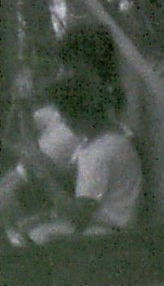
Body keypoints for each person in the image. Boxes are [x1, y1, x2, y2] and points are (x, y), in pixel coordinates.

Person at [1, 26, 142, 247]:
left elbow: (50, 176)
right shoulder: (87, 135)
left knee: (25, 235)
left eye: (69, 66)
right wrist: (20, 105)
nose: (62, 72)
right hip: (45, 200)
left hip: (95, 232)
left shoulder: (97, 139)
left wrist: (43, 176)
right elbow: (62, 174)